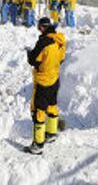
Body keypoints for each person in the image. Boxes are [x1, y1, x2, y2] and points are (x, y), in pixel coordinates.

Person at [25, 17, 66, 154]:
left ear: (42, 27)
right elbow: (61, 58)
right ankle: (51, 133)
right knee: (52, 105)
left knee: (39, 110)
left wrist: (29, 53)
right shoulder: (59, 40)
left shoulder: (43, 43)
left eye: (39, 26)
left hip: (43, 81)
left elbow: (33, 60)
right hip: (55, 78)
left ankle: (38, 144)